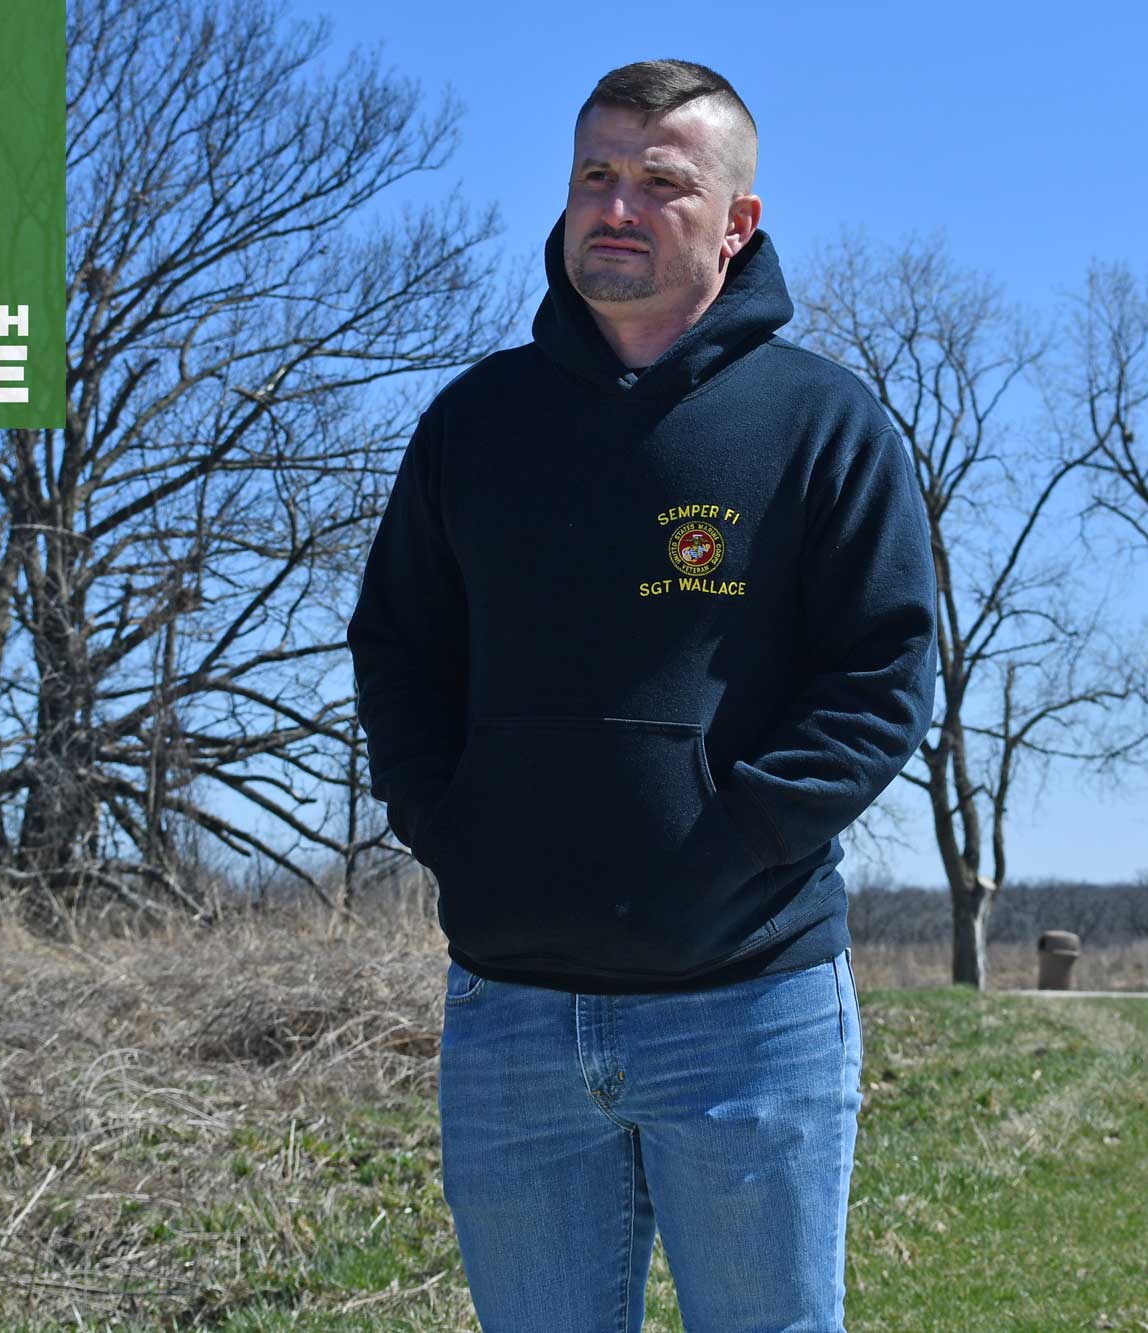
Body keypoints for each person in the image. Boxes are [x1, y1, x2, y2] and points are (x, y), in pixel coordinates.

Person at [345, 57, 937, 1333]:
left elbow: (883, 672)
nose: (615, 207)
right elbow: (397, 647)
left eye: (661, 182)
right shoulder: (474, 423)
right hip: (508, 1013)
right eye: (593, 177)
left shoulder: (821, 425)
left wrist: (733, 838)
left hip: (746, 1004)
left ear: (737, 222)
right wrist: (451, 828)